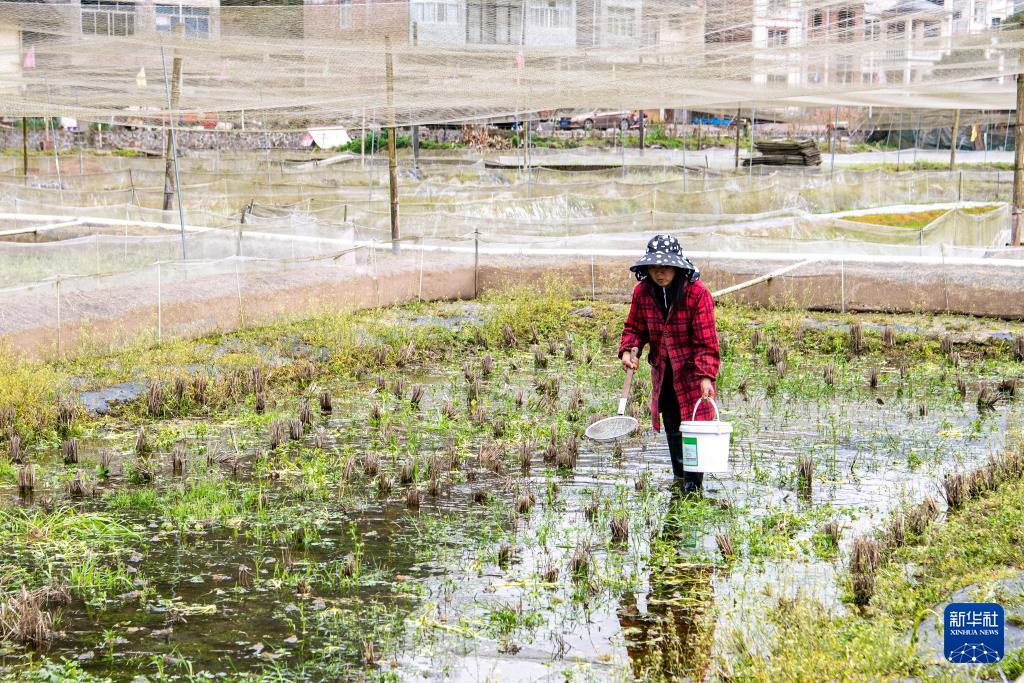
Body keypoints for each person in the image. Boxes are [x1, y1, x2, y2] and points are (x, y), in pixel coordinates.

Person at [618, 234, 720, 494]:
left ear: (677, 266)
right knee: (673, 428)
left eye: (664, 268)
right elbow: (634, 328)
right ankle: (679, 479)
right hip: (664, 375)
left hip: (691, 377)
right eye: (654, 268)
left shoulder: (697, 294)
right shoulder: (643, 293)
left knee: (693, 431)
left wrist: (706, 375)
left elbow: (706, 340)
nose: (659, 273)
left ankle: (693, 485)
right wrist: (630, 351)